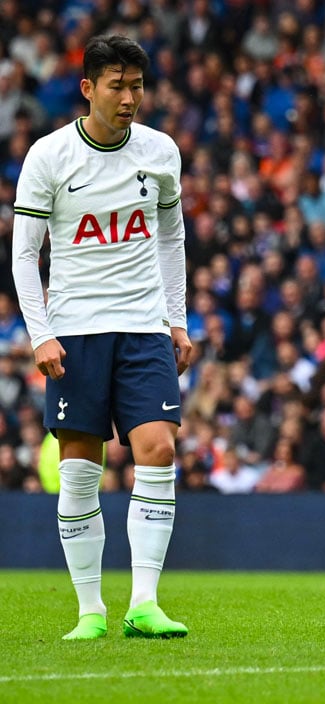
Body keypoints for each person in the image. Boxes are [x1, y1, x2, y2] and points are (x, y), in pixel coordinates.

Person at [11, 35, 193, 639]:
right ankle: (91, 610)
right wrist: (40, 334)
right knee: (82, 472)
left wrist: (177, 319)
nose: (129, 97)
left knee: (159, 451)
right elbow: (24, 253)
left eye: (137, 85)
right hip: (76, 331)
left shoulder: (161, 152)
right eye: (116, 85)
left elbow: (171, 240)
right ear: (88, 88)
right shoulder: (50, 156)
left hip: (143, 329)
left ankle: (144, 602)